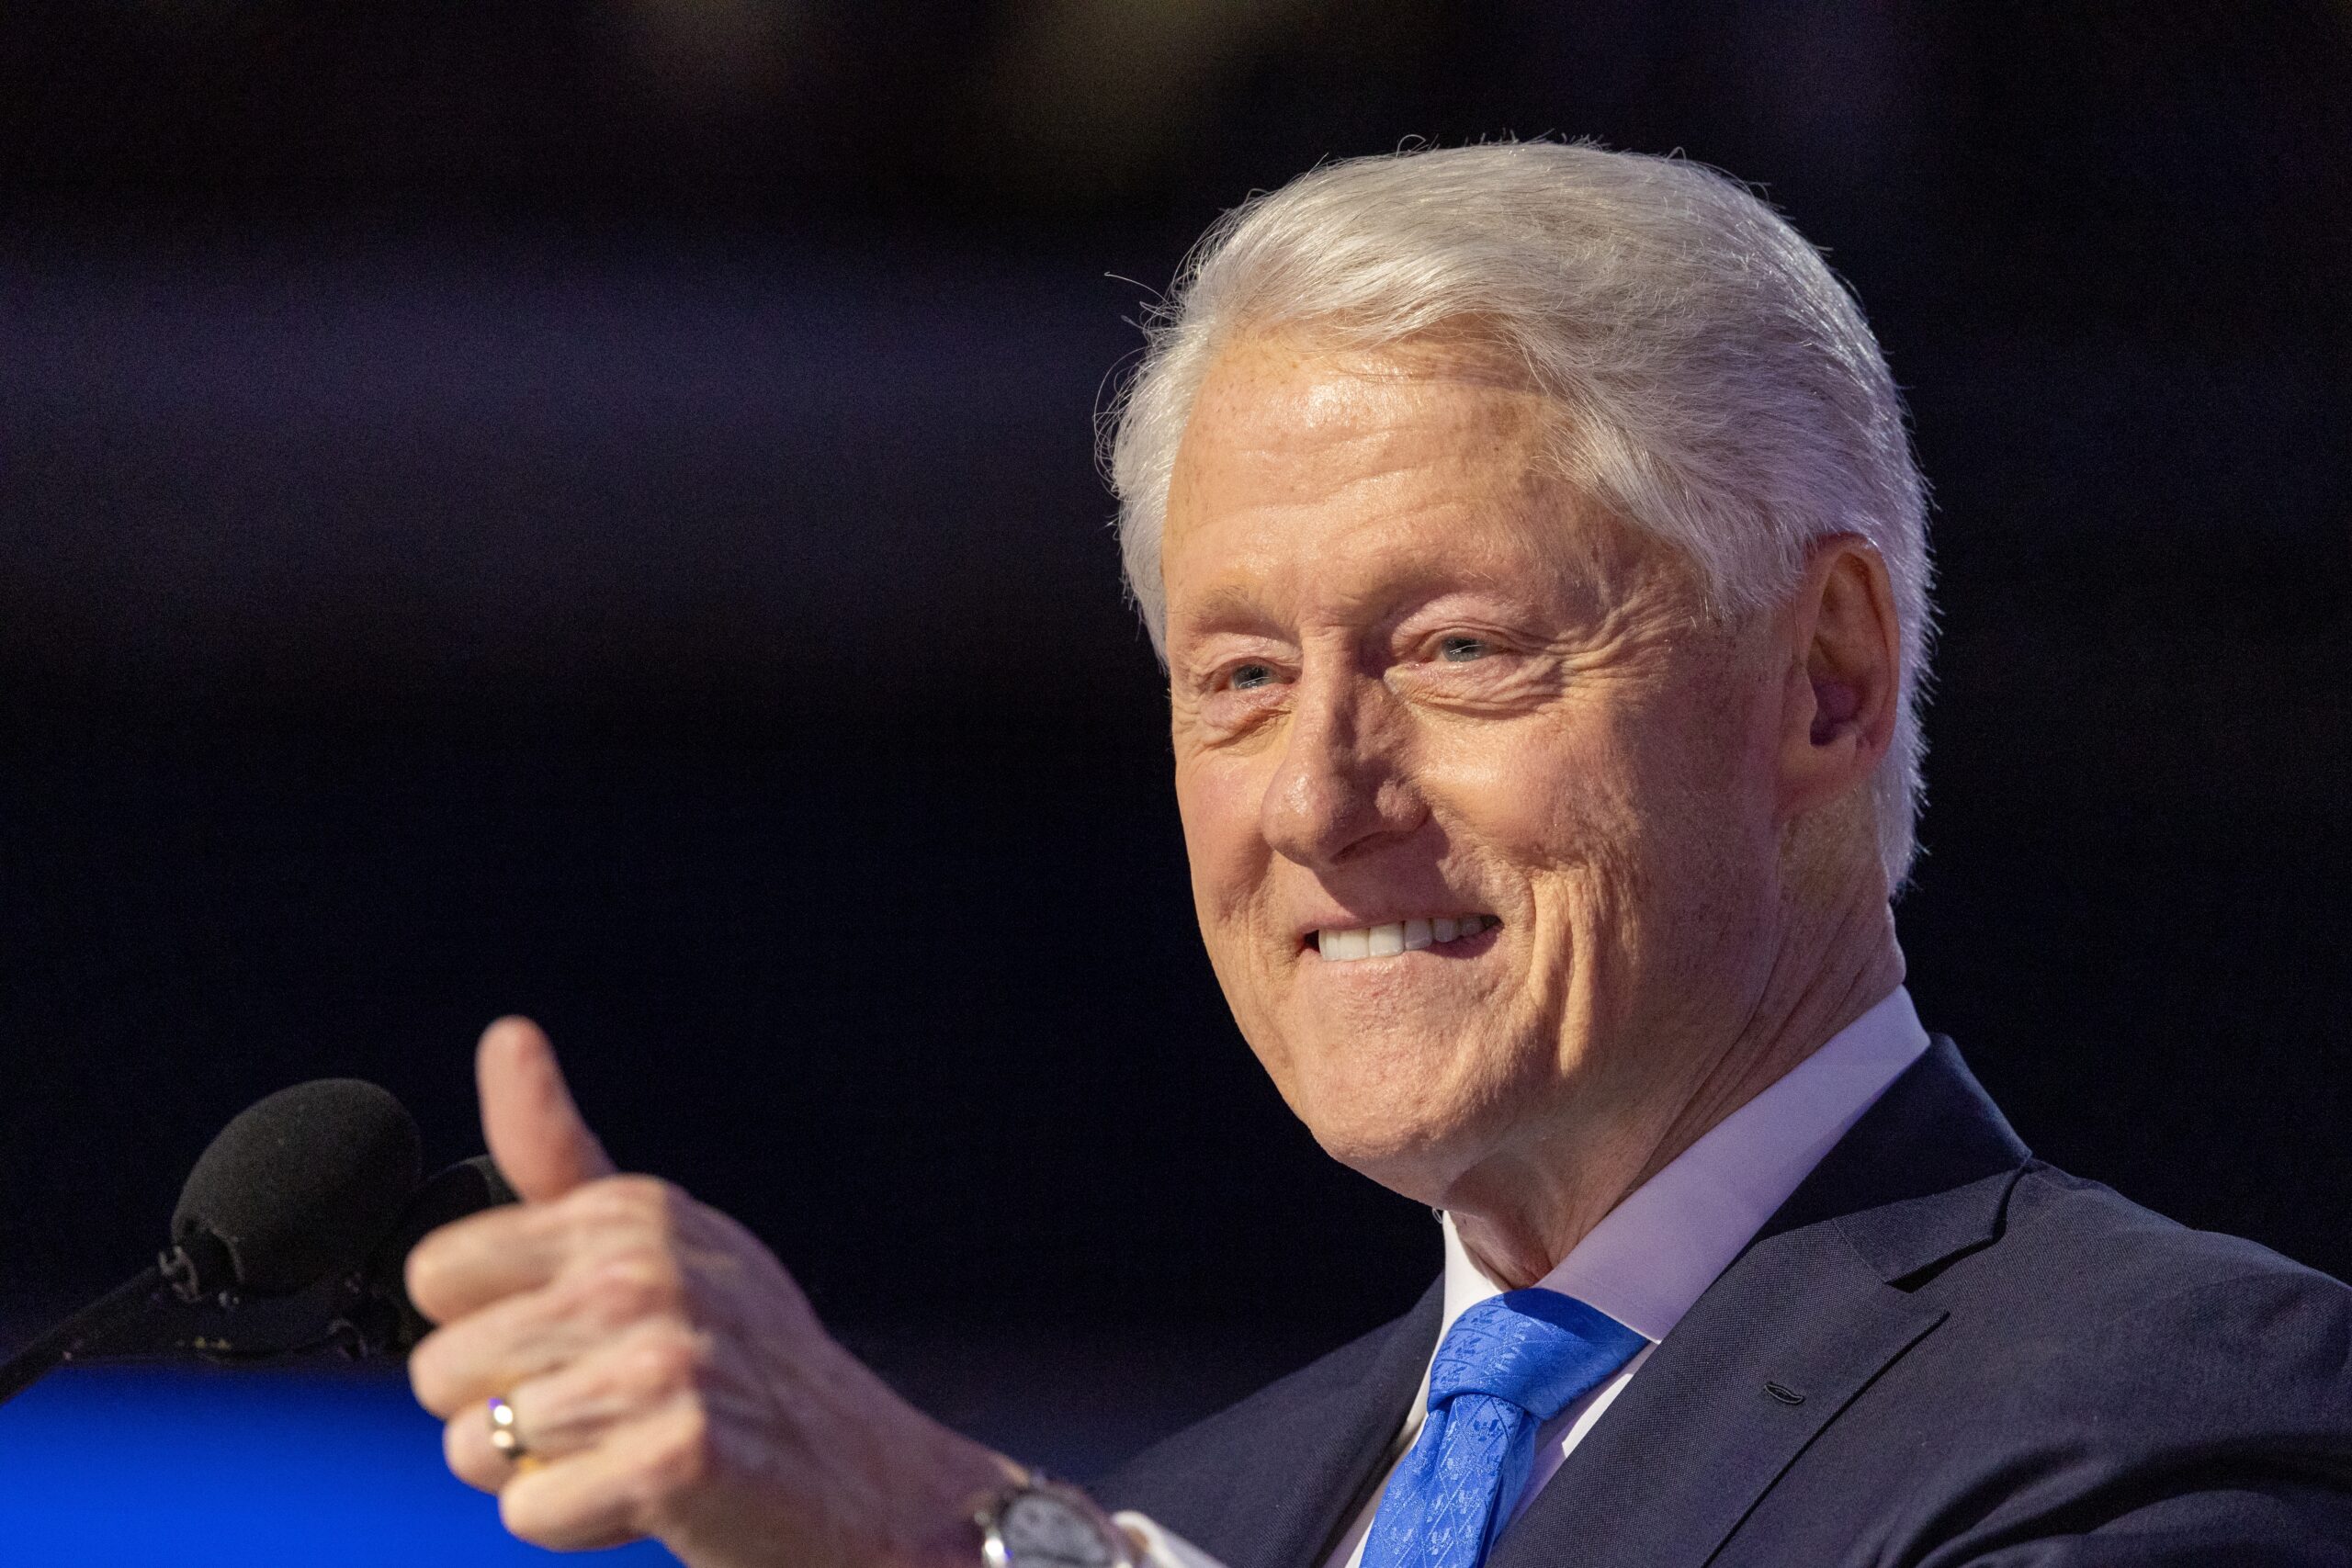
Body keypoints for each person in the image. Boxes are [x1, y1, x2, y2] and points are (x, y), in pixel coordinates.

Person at [403, 143, 2352, 1567]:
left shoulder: (2164, 1408)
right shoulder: (1213, 1511)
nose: (1318, 799)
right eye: (1240, 677)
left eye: (1456, 649)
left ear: (1824, 679)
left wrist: (951, 1535)